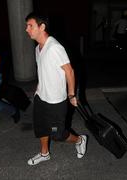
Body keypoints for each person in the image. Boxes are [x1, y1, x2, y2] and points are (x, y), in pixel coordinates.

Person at [25, 12, 87, 166]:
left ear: (42, 27)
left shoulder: (54, 47)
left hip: (55, 101)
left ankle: (80, 139)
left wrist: (71, 94)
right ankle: (44, 153)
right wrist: (39, 88)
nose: (27, 29)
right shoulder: (38, 48)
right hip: (41, 97)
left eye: (30, 26)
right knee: (40, 128)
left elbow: (69, 71)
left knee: (57, 134)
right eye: (27, 26)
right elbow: (44, 70)